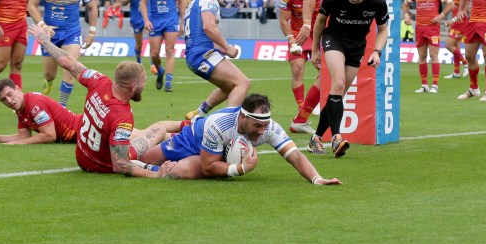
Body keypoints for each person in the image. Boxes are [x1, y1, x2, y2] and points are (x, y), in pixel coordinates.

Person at [28, 25, 166, 177]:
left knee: (143, 134)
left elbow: (67, 61)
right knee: (159, 130)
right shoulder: (122, 116)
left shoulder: (98, 81)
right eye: (143, 82)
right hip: (100, 165)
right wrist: (156, 175)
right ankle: (179, 138)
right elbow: (120, 164)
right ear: (133, 86)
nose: (144, 86)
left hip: (82, 156)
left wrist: (45, 41)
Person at [139, 94, 341, 184]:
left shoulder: (268, 127)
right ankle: (147, 148)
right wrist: (241, 169)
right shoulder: (221, 124)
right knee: (145, 158)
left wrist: (317, 178)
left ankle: (160, 156)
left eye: (265, 126)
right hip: (194, 138)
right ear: (243, 117)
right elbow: (209, 166)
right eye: (257, 126)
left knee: (181, 172)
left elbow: (295, 156)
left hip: (216, 152)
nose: (262, 131)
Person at [308, 0, 391, 157]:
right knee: (338, 82)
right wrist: (315, 50)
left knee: (337, 95)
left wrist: (377, 52)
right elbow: (320, 22)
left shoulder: (377, 2)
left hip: (357, 47)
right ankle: (337, 138)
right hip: (333, 39)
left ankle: (316, 137)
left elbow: (383, 30)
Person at [28, 0, 98, 106]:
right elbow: (31, 5)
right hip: (49, 34)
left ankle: (62, 107)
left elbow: (92, 7)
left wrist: (92, 32)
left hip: (71, 33)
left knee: (70, 69)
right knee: (49, 74)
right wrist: (43, 26)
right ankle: (49, 82)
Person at [183, 0, 250, 120]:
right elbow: (209, 27)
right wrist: (227, 47)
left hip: (193, 55)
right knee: (243, 82)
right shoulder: (209, 0)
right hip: (202, 54)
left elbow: (199, 34)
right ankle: (229, 125)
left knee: (229, 87)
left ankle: (197, 114)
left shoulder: (192, 3)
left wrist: (222, 49)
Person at [289, 0, 323, 134]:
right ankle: (301, 116)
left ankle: (302, 117)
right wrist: (308, 24)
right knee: (324, 72)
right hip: (321, 23)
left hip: (330, 22)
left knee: (331, 73)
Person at [0, 78, 80, 144]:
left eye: (10, 94)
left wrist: (17, 144)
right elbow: (23, 136)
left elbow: (50, 135)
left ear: (17, 89)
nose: (9, 101)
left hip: (83, 130)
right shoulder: (20, 109)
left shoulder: (34, 104)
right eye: (3, 99)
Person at [402, 0, 455, 93]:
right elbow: (405, 4)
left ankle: (435, 85)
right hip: (420, 28)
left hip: (433, 28)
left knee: (433, 55)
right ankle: (424, 85)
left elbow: (451, 4)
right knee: (421, 56)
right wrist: (406, 16)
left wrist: (441, 15)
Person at [139, 0, 187, 92]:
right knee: (154, 54)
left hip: (171, 20)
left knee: (170, 51)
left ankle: (169, 81)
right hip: (155, 21)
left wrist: (182, 22)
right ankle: (160, 71)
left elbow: (182, 2)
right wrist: (146, 20)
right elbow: (143, 2)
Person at [276, 0, 313, 117]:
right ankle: (301, 107)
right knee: (297, 69)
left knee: (325, 71)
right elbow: (283, 21)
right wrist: (292, 42)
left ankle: (316, 102)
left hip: (316, 34)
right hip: (298, 35)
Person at [120, 0, 147, 64]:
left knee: (152, 39)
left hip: (148, 16)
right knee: (139, 43)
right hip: (136, 16)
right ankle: (139, 61)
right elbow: (123, 2)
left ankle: (154, 65)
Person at [444, 0, 470, 79]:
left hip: (461, 24)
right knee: (456, 48)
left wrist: (452, 21)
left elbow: (464, 12)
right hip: (456, 24)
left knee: (448, 45)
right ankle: (456, 72)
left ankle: (465, 63)